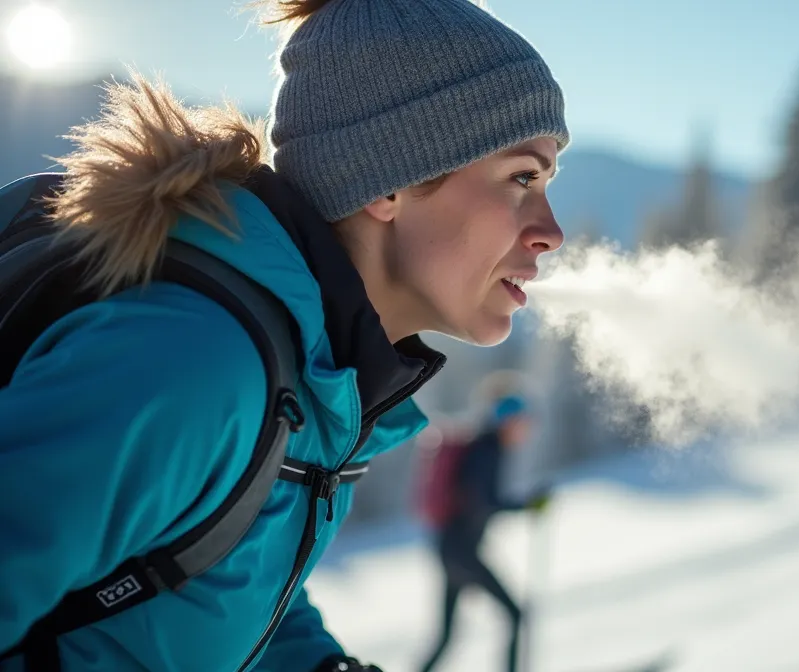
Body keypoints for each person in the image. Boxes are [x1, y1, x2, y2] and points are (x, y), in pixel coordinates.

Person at [0, 0, 568, 669]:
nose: (552, 233)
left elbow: (210, 578)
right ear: (389, 180)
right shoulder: (194, 370)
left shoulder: (317, 382)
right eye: (522, 177)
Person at [418, 391, 551, 672]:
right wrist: (526, 506)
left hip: (452, 549)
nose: (525, 429)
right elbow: (483, 503)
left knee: (446, 637)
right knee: (515, 615)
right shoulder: (487, 451)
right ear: (509, 421)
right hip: (462, 552)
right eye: (522, 422)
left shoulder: (483, 447)